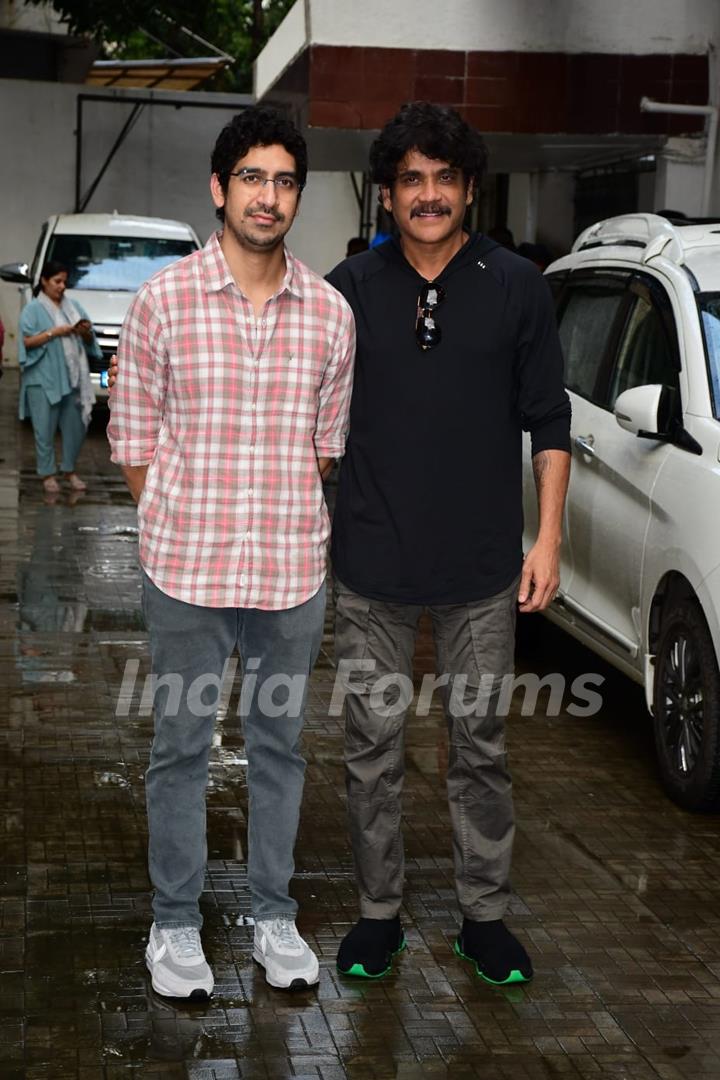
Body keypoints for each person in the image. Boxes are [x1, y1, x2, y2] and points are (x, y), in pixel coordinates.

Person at [106, 106, 355, 999]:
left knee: (281, 748)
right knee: (181, 748)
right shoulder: (163, 302)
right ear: (219, 189)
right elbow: (134, 442)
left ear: (297, 196)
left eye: (285, 179)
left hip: (290, 578)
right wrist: (183, 524)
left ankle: (273, 916)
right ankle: (173, 928)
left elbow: (325, 449)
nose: (268, 195)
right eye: (251, 176)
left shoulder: (330, 313)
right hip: (187, 577)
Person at [326, 102, 571, 985]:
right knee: (371, 748)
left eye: (444, 179)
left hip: (481, 570)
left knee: (481, 746)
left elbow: (549, 419)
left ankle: (484, 918)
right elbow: (306, 421)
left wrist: (546, 541)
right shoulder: (346, 291)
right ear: (387, 195)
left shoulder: (518, 287)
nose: (428, 195)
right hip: (371, 565)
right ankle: (378, 914)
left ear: (470, 187)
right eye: (410, 180)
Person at [18, 260, 100, 493]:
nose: (62, 286)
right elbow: (26, 343)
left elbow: (89, 339)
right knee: (44, 430)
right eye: (57, 281)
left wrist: (84, 332)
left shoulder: (73, 306)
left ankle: (70, 470)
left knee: (76, 427)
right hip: (43, 379)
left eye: (65, 281)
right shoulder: (32, 310)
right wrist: (55, 332)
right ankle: (47, 475)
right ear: (44, 281)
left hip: (73, 378)